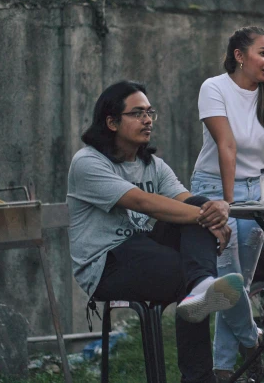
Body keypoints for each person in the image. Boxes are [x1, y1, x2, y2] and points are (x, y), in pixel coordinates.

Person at [68, 81, 244, 383]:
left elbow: (185, 202)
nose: (147, 120)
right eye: (137, 113)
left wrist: (218, 209)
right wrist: (211, 219)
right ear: (111, 122)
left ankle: (202, 284)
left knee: (198, 208)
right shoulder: (88, 162)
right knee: (191, 256)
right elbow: (145, 203)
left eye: (150, 112)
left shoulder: (154, 165)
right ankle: (199, 371)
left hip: (144, 250)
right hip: (105, 264)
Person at [190, 26, 264, 383]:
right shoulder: (214, 88)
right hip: (214, 189)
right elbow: (227, 147)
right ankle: (253, 341)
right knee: (227, 279)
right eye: (263, 53)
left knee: (235, 283)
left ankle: (223, 371)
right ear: (239, 55)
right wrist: (228, 206)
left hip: (258, 189)